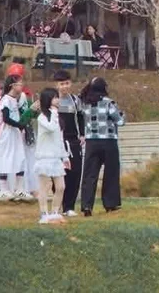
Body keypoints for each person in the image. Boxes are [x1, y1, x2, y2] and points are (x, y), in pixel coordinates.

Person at [79, 76, 125, 216]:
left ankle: (87, 206)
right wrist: (123, 115)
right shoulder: (108, 103)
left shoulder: (85, 103)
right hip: (108, 141)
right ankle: (110, 203)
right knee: (111, 172)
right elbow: (120, 121)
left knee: (89, 174)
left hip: (91, 142)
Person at [0, 74, 32, 201]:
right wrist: (19, 125)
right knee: (5, 157)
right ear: (12, 86)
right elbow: (6, 118)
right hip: (7, 133)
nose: (22, 86)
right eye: (19, 83)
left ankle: (19, 188)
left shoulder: (15, 100)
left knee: (20, 157)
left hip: (15, 133)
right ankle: (3, 189)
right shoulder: (6, 100)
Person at [33, 87, 71, 223]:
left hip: (56, 158)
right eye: (55, 97)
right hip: (44, 157)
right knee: (44, 187)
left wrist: (65, 157)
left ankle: (55, 212)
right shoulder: (42, 117)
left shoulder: (57, 117)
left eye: (57, 97)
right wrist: (54, 113)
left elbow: (59, 138)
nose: (57, 100)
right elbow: (50, 128)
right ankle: (44, 213)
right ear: (48, 100)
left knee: (61, 186)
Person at [53, 71, 84, 216]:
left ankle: (69, 207)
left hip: (73, 141)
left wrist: (82, 134)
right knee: (59, 174)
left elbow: (81, 117)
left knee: (75, 172)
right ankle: (58, 204)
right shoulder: (53, 100)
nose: (65, 86)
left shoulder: (75, 100)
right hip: (57, 141)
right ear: (56, 85)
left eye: (67, 83)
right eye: (62, 84)